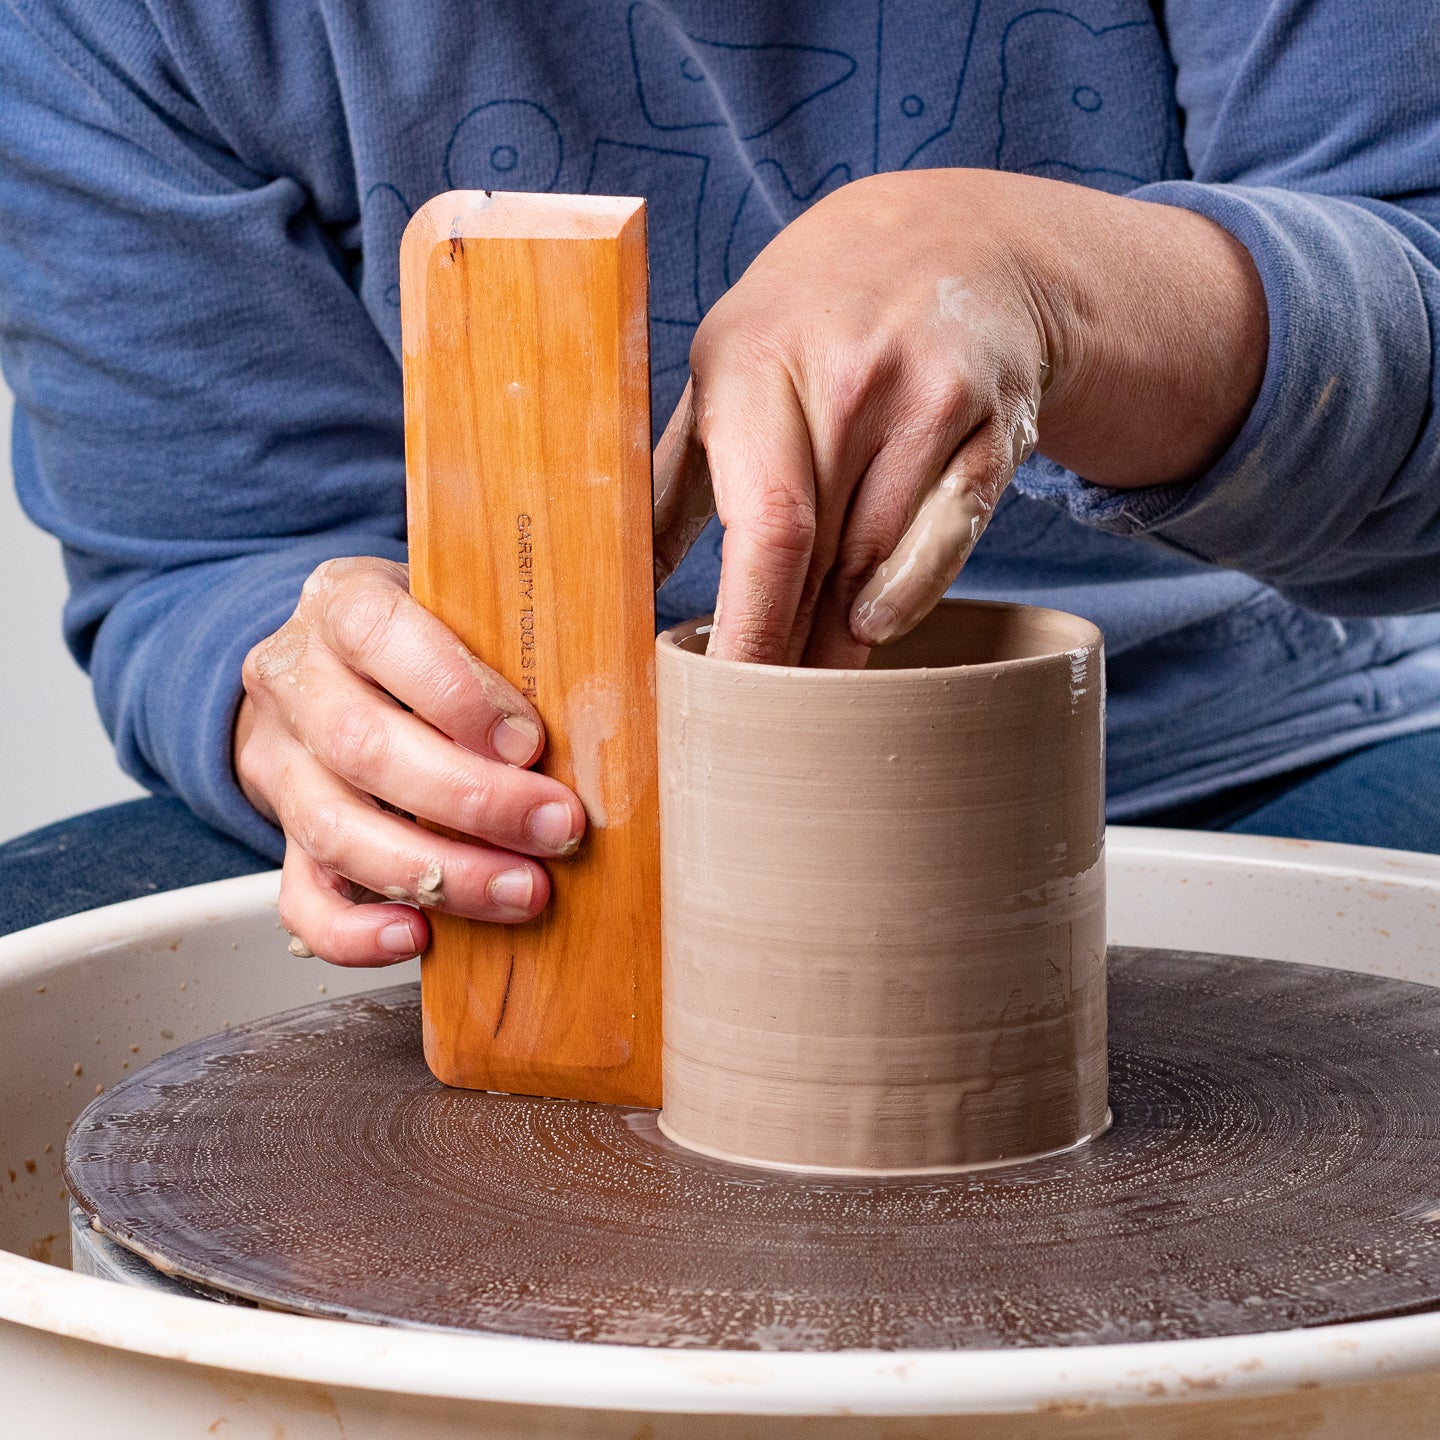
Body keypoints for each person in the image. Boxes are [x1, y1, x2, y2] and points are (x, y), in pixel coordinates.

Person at [2, 1, 1439, 952]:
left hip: (1262, 732)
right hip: (572, 823)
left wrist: (1062, 286)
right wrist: (324, 717)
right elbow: (204, 548)